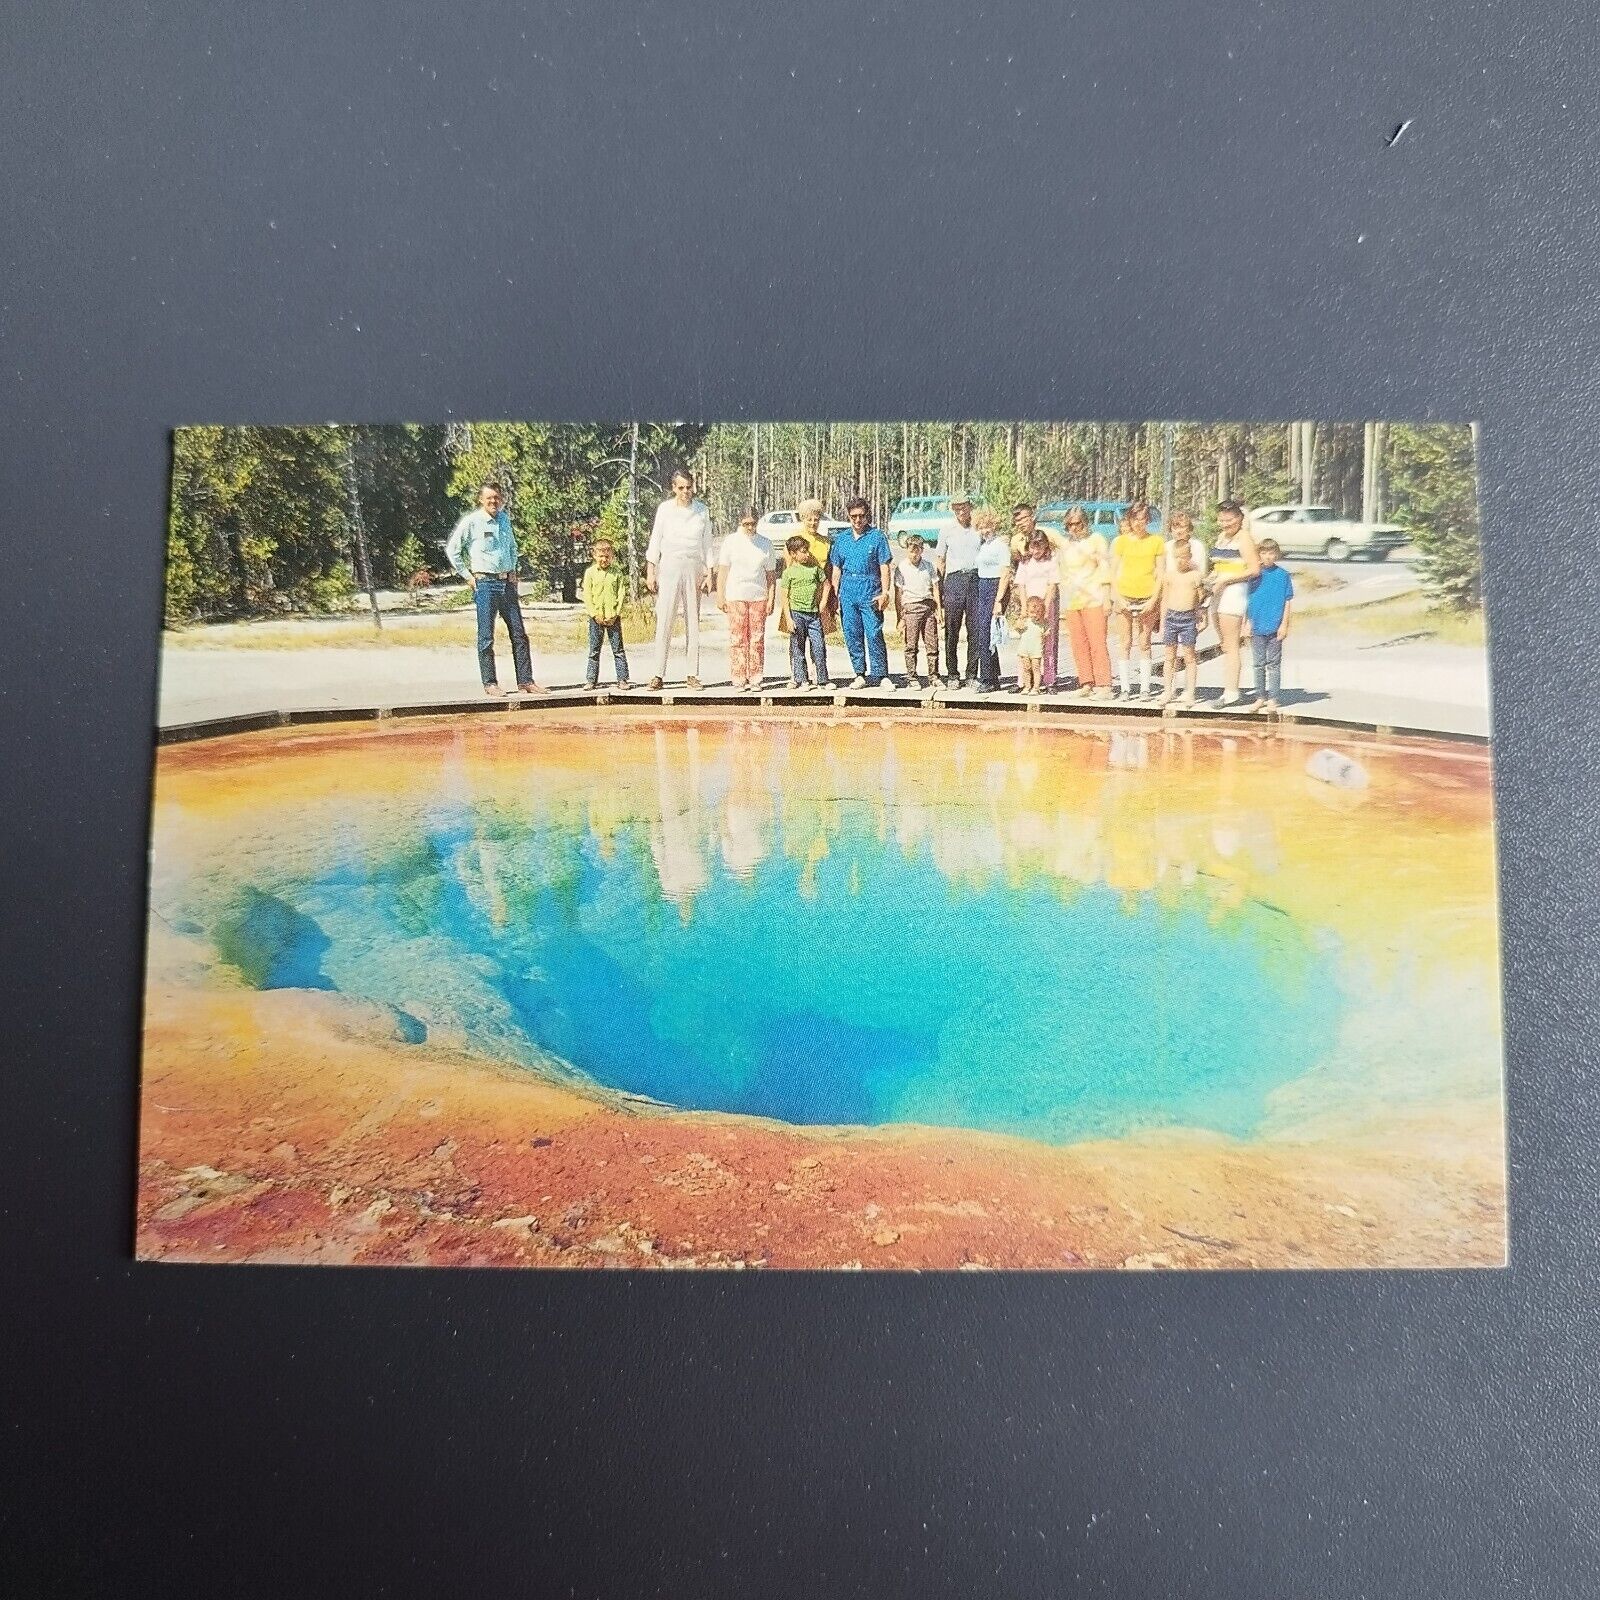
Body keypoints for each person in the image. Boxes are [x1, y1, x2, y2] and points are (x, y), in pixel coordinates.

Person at [445, 482, 542, 696]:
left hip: (507, 583)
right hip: (485, 584)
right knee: (486, 636)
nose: (493, 501)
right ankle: (490, 683)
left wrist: (514, 570)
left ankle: (526, 681)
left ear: (502, 499)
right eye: (489, 498)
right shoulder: (472, 522)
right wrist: (468, 577)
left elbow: (513, 547)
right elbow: (453, 550)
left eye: (497, 497)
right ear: (481, 500)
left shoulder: (505, 519)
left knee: (519, 634)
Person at [645, 469, 714, 691]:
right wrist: (650, 570)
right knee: (665, 619)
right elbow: (655, 540)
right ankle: (658, 674)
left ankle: (692, 674)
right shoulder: (664, 509)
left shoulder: (702, 511)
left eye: (689, 487)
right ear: (673, 488)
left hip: (693, 565)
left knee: (693, 620)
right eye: (681, 487)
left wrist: (709, 572)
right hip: (669, 566)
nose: (686, 492)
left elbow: (707, 543)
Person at [829, 497, 893, 687]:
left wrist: (885, 592)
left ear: (867, 516)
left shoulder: (877, 537)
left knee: (874, 632)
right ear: (848, 517)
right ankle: (859, 674)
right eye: (853, 516)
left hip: (870, 588)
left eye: (861, 516)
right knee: (852, 633)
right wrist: (836, 595)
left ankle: (881, 674)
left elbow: (884, 566)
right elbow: (836, 569)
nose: (857, 520)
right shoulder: (842, 539)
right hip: (848, 590)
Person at [1206, 499, 1261, 709]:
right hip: (1218, 591)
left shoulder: (1244, 538)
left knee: (1231, 645)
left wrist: (1227, 580)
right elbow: (1219, 565)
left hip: (1234, 592)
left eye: (1229, 520)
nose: (1225, 524)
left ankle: (1231, 693)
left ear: (1239, 518)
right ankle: (1230, 689)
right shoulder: (1222, 538)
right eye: (1221, 520)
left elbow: (1254, 569)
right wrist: (1210, 580)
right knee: (1225, 644)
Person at [1109, 502, 1165, 700]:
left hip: (1147, 596)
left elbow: (1160, 573)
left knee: (1144, 642)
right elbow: (1113, 572)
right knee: (1124, 642)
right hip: (1125, 596)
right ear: (1130, 520)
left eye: (1143, 519)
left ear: (1147, 520)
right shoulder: (1121, 542)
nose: (1139, 523)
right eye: (1135, 519)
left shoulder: (1156, 541)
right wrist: (1117, 597)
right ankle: (1125, 688)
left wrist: (1153, 600)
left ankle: (1145, 688)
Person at [717, 508, 777, 691]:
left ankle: (756, 678)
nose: (750, 527)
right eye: (746, 524)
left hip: (758, 596)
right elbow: (723, 571)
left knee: (756, 639)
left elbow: (771, 576)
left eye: (753, 523)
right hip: (736, 596)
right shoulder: (730, 542)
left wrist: (771, 598)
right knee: (737, 639)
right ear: (740, 523)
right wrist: (720, 595)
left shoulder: (765, 544)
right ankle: (738, 678)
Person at [1058, 504, 1113, 698]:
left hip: (1094, 597)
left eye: (1078, 523)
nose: (1074, 528)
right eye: (1070, 524)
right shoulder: (1066, 545)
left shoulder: (1097, 540)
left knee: (1097, 641)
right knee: (1078, 643)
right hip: (1073, 600)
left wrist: (1107, 597)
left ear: (1085, 522)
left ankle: (1104, 684)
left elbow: (1105, 567)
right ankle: (1086, 682)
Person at [934, 491, 982, 688]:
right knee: (952, 630)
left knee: (975, 630)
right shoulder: (947, 530)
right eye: (956, 507)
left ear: (970, 506)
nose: (960, 510)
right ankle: (952, 674)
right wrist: (939, 591)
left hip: (975, 579)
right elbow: (940, 560)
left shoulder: (979, 527)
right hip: (954, 580)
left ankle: (971, 675)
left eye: (963, 506)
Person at [1012, 520, 1063, 691]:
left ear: (1045, 546)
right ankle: (1023, 682)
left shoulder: (1051, 562)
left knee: (1047, 643)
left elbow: (1052, 585)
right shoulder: (1025, 563)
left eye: (1039, 547)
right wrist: (1025, 608)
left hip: (1046, 606)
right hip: (1029, 607)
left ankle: (1049, 680)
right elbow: (1021, 585)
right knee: (1026, 644)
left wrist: (1046, 607)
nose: (1036, 551)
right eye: (1033, 547)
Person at [1245, 537, 1294, 713]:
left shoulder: (1283, 576)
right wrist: (1248, 622)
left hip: (1275, 625)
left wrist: (1284, 624)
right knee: (1258, 663)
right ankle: (1260, 697)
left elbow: (1288, 601)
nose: (1267, 557)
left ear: (1277, 554)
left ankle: (1273, 698)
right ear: (1259, 555)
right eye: (1264, 553)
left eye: (1271, 553)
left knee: (1273, 664)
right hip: (1257, 625)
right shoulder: (1254, 575)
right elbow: (1249, 601)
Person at [1156, 538, 1205, 708]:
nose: (1180, 561)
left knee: (1189, 656)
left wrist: (1201, 615)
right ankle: (1168, 691)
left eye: (1184, 557)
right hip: (1171, 617)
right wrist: (1162, 622)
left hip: (1188, 619)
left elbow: (1200, 599)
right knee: (1169, 657)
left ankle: (1190, 692)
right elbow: (1164, 599)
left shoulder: (1195, 575)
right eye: (1177, 557)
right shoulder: (1169, 576)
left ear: (1190, 556)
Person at [778, 534, 829, 689]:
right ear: (793, 554)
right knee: (798, 647)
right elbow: (785, 597)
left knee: (819, 646)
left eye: (807, 551)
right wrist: (788, 618)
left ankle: (822, 679)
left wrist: (823, 603)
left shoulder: (815, 569)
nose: (807, 554)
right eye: (803, 551)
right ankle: (802, 679)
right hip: (796, 614)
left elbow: (826, 585)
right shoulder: (788, 573)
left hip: (813, 615)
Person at [581, 538, 631, 689]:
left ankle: (622, 679)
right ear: (594, 555)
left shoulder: (617, 573)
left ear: (612, 556)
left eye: (607, 556)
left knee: (618, 650)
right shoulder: (590, 573)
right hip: (596, 618)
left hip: (612, 617)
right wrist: (594, 614)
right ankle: (591, 680)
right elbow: (587, 595)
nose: (604, 559)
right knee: (594, 650)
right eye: (601, 556)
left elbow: (621, 593)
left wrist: (615, 613)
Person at [893, 533, 941, 688]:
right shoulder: (901, 567)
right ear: (907, 550)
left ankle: (933, 676)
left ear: (922, 550)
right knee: (911, 645)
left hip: (928, 607)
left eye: (917, 550)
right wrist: (900, 618)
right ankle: (912, 676)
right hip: (911, 608)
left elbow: (935, 588)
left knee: (932, 644)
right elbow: (898, 594)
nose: (914, 554)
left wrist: (939, 610)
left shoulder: (929, 566)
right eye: (911, 550)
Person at [974, 507, 1014, 692]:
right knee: (984, 632)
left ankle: (987, 679)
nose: (984, 530)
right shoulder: (984, 545)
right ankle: (994, 676)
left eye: (987, 526)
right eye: (981, 527)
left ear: (994, 525)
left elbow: (1005, 572)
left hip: (995, 587)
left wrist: (998, 600)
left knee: (986, 634)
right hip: (982, 586)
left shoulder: (1000, 545)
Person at [794, 498, 839, 635]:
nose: (813, 523)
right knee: (798, 639)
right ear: (803, 519)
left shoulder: (826, 542)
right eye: (809, 519)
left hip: (820, 593)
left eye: (816, 519)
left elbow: (829, 572)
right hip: (799, 593)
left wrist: (829, 598)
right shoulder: (794, 539)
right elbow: (788, 569)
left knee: (818, 639)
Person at [1015, 594, 1047, 694]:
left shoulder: (1042, 623)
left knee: (1036, 668)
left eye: (1037, 612)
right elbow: (1017, 628)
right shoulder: (1026, 621)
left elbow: (1047, 631)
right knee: (1026, 668)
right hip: (1025, 649)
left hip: (1036, 649)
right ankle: (1027, 686)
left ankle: (1036, 688)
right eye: (1032, 612)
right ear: (1028, 612)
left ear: (1042, 612)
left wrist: (1046, 634)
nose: (1034, 615)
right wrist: (1020, 621)